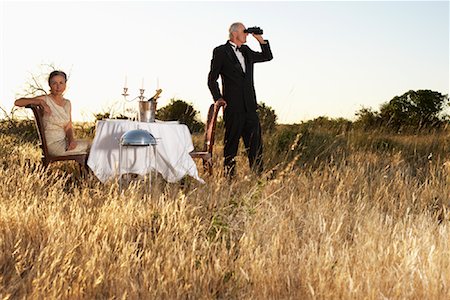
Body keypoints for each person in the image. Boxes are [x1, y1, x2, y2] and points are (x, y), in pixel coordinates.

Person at [208, 22, 273, 178]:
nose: (247, 34)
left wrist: (260, 40)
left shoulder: (246, 51)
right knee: (231, 145)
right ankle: (229, 179)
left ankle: (258, 179)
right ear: (235, 33)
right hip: (233, 107)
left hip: (250, 107)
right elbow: (212, 79)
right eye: (244, 31)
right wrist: (218, 98)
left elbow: (267, 56)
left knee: (255, 146)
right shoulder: (221, 51)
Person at [14, 70, 90, 156]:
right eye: (54, 83)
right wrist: (40, 102)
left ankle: (93, 169)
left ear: (65, 85)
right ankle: (95, 169)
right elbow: (18, 102)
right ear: (50, 85)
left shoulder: (67, 103)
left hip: (64, 141)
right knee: (92, 147)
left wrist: (71, 140)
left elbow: (68, 126)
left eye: (61, 83)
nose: (58, 86)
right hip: (52, 145)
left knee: (93, 146)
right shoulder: (46, 99)